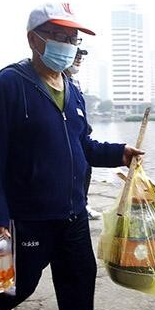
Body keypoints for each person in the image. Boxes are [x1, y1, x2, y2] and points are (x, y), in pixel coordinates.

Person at [0, 2, 143, 310]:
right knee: (22, 283)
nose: (69, 44)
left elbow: (82, 144)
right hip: (29, 214)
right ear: (34, 39)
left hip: (72, 210)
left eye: (74, 38)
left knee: (79, 275)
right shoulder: (10, 85)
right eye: (59, 36)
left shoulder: (73, 88)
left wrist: (119, 153)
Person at [64, 48, 102, 220]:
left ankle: (82, 205)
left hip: (80, 138)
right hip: (65, 141)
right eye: (76, 55)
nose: (79, 59)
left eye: (81, 57)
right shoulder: (50, 81)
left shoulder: (75, 83)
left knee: (85, 170)